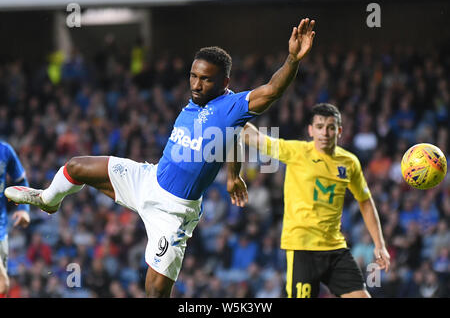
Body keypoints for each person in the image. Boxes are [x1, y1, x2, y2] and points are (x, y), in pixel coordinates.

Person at [5, 18, 316, 297]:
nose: (196, 84)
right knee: (76, 166)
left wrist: (291, 59)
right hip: (148, 180)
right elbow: (233, 135)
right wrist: (233, 175)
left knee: (154, 291)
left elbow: (273, 90)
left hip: (173, 212)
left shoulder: (232, 105)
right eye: (193, 76)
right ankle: (48, 200)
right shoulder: (200, 103)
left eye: (205, 79)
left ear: (224, 83)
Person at [241, 103, 390, 298]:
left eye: (330, 127)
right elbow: (254, 137)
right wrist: (230, 108)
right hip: (302, 248)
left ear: (339, 131)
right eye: (319, 127)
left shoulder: (349, 162)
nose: (325, 133)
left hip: (335, 248)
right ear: (311, 130)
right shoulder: (296, 151)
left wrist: (379, 244)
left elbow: (365, 201)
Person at [0, 141, 31, 297]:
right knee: (2, 282)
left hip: (1, 230)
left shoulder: (5, 151)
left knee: (3, 286)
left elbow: (21, 181)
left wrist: (24, 209)